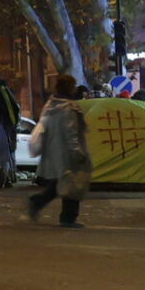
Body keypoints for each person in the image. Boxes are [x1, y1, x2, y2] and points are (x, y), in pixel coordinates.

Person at [26, 74, 92, 228]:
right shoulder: (69, 108)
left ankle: (38, 202)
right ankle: (68, 218)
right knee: (73, 185)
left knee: (60, 183)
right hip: (68, 153)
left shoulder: (50, 106)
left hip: (54, 151)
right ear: (69, 88)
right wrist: (78, 153)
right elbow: (71, 133)